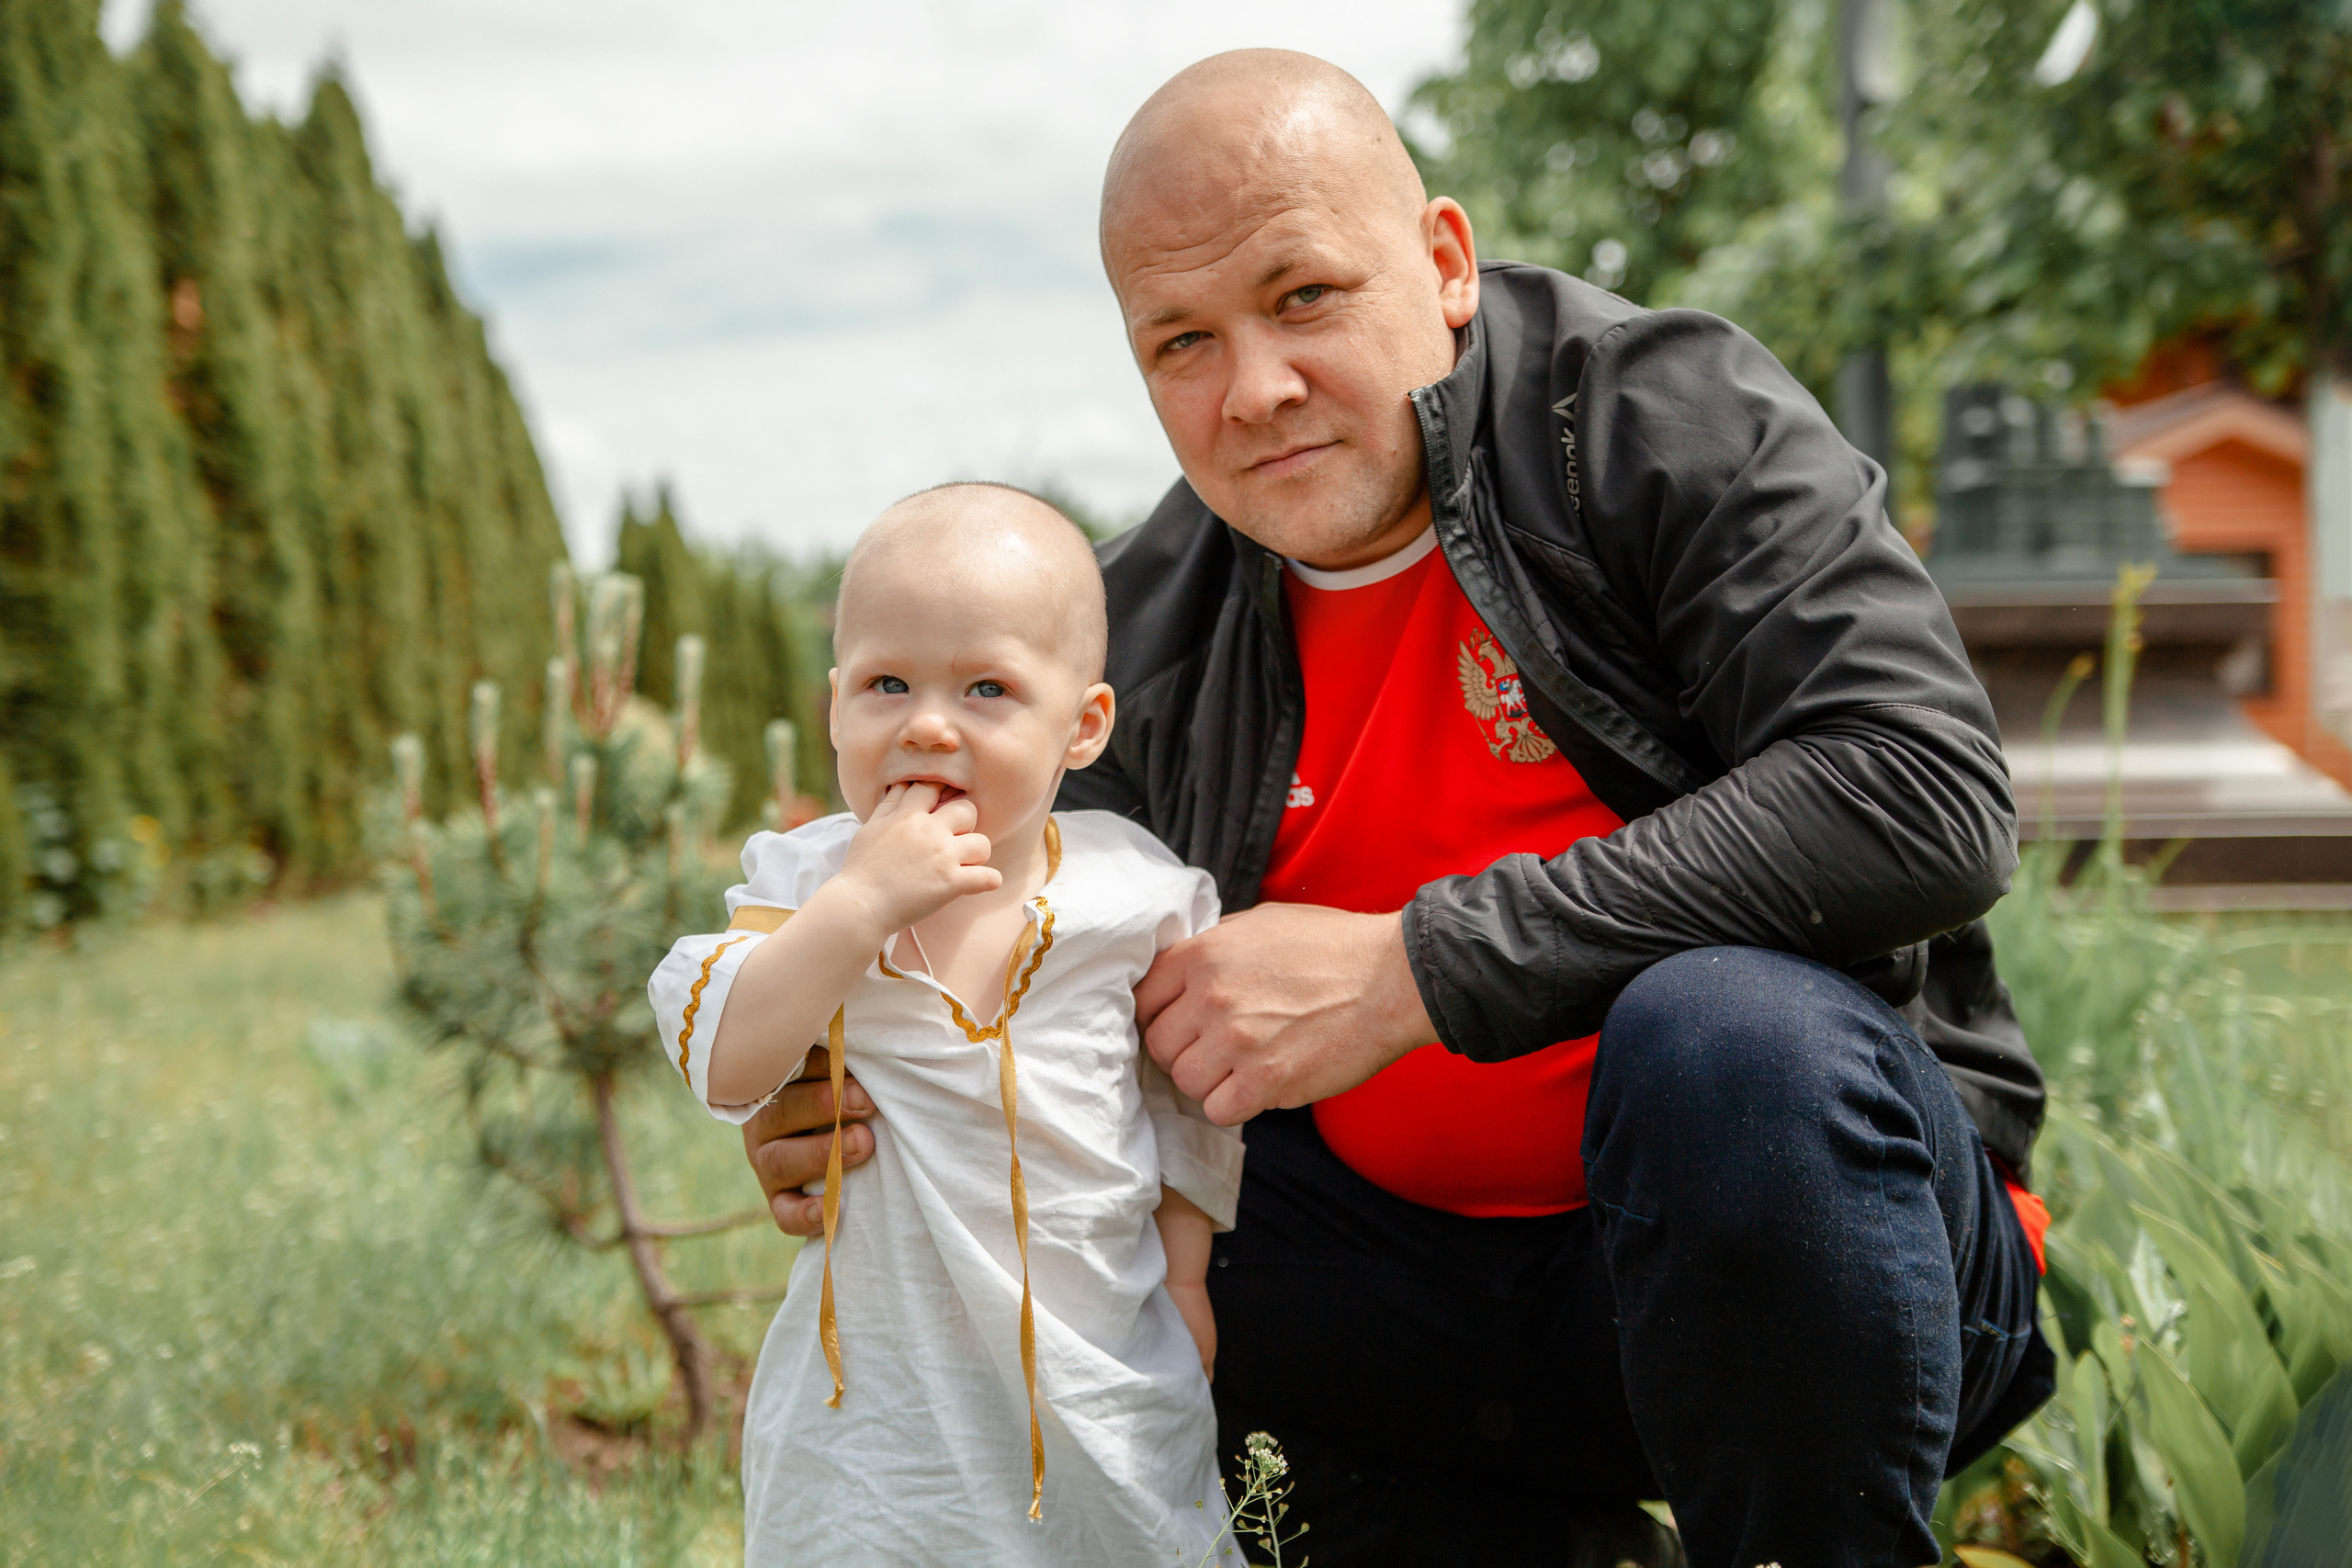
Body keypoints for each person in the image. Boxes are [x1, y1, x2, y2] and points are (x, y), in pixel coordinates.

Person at [741, 51, 2056, 1568]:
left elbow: (1922, 789)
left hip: (1821, 1267)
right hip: (1407, 1327)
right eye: (1183, 340)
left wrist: (1413, 967)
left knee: (1727, 1038)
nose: (1256, 389)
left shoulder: (1658, 421)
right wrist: (840, 1067)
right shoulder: (1118, 640)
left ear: (1442, 262)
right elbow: (978, 946)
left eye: (1303, 295)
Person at [649, 484, 1241, 1564]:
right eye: (886, 682)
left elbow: (1184, 1093)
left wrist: (1188, 1272)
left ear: (1082, 726)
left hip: (1099, 1355)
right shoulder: (807, 883)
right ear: (834, 707)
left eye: (986, 687)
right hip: (880, 1402)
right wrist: (858, 907)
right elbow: (725, 1061)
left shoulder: (1131, 892)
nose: (926, 721)